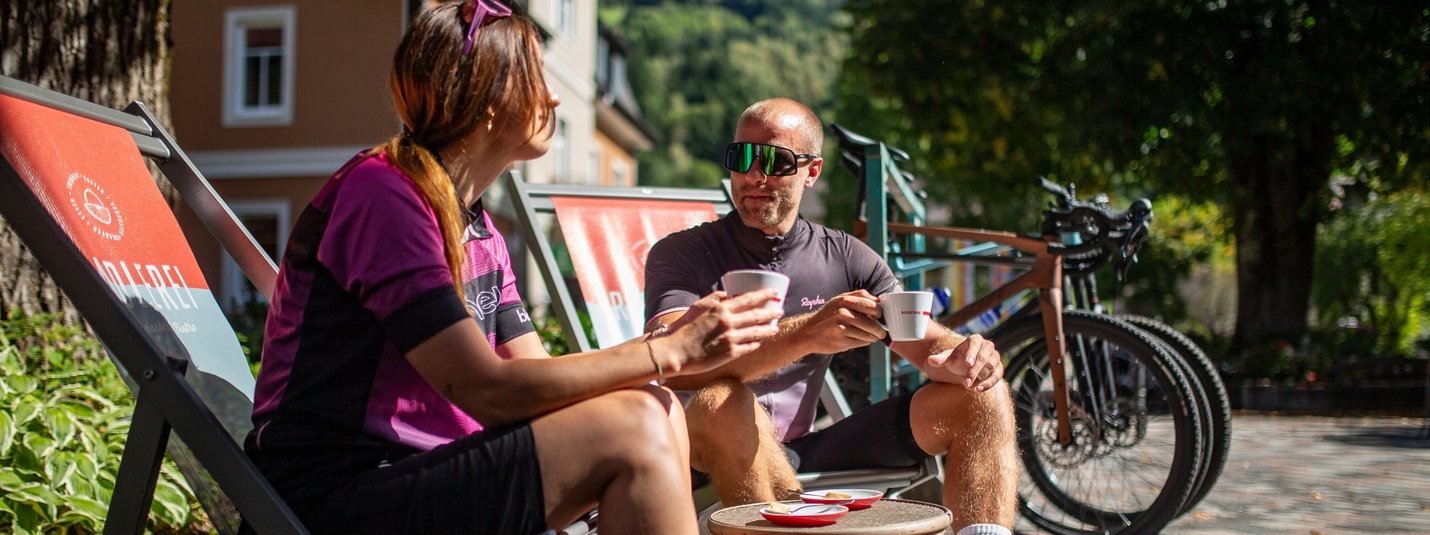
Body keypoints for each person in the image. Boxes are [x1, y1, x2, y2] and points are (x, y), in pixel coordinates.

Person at [245, 3, 780, 534]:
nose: (551, 96)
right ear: (489, 98)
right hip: (337, 493)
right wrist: (667, 351)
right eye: (535, 78)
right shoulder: (384, 194)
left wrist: (674, 354)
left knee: (657, 408)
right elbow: (491, 391)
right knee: (636, 424)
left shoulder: (478, 227)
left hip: (428, 476)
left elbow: (535, 377)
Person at [643, 98, 1018, 535]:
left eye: (775, 161)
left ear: (812, 171)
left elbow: (924, 339)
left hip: (800, 455)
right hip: (700, 455)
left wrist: (968, 356)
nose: (753, 176)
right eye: (740, 157)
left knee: (983, 394)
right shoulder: (682, 253)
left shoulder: (844, 258)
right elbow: (672, 361)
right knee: (723, 399)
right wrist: (806, 334)